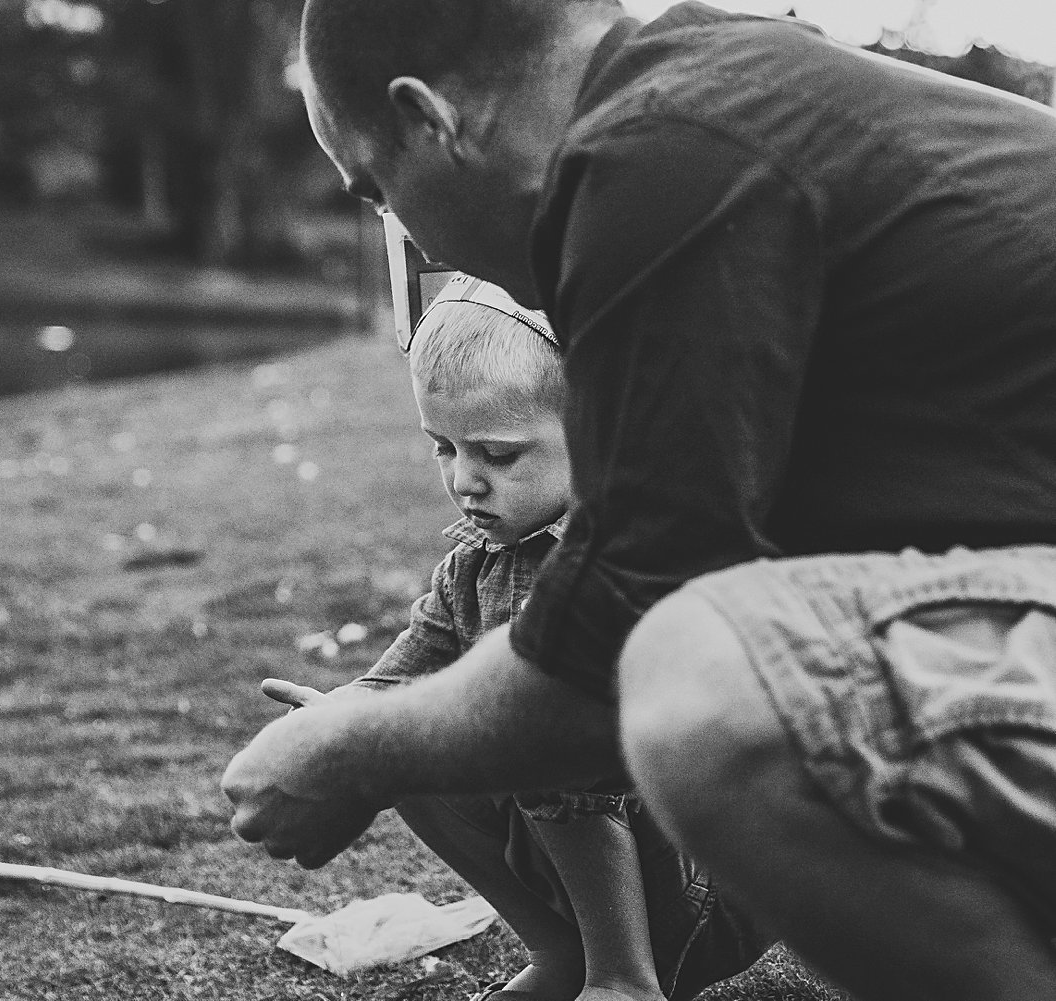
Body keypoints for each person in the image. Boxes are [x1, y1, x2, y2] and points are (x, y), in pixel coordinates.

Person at [221, 2, 1056, 1000]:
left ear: (429, 121)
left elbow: (611, 640)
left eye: (375, 190)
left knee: (699, 678)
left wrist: (347, 745)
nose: (393, 223)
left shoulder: (658, 159)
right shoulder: (718, 93)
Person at [266, 272, 755, 1000]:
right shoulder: (472, 567)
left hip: (709, 879)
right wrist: (341, 722)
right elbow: (402, 681)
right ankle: (564, 954)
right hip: (605, 880)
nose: (465, 480)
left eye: (497, 455)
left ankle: (624, 978)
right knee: (400, 737)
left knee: (531, 711)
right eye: (443, 448)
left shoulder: (632, 556)